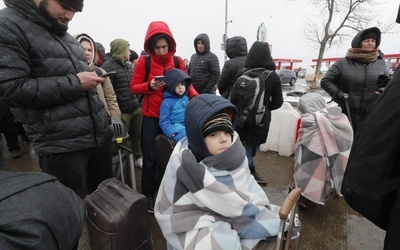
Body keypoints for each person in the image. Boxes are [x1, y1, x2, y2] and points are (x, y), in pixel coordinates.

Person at [0, 0, 114, 199]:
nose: (70, 15)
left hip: (99, 138)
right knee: (70, 215)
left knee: (107, 207)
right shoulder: (8, 25)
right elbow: (10, 89)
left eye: (76, 10)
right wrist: (76, 84)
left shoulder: (65, 32)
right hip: (62, 146)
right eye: (66, 6)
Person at [155, 94, 282, 249]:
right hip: (196, 219)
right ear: (198, 139)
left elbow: (249, 188)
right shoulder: (184, 166)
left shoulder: (237, 156)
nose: (223, 139)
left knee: (271, 222)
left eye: (227, 132)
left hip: (237, 213)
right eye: (213, 134)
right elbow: (173, 211)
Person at [130, 21, 198, 213]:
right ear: (150, 46)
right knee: (150, 158)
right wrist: (148, 87)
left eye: (164, 47)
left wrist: (197, 98)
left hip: (175, 118)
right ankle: (149, 195)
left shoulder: (177, 61)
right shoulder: (145, 61)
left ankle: (168, 193)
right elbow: (133, 86)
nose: (160, 51)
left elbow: (188, 85)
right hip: (152, 117)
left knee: (172, 157)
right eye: (157, 47)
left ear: (170, 45)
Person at [232, 41, 283, 185]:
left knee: (243, 147)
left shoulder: (243, 72)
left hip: (241, 119)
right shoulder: (273, 77)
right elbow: (278, 102)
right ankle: (243, 180)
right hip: (260, 122)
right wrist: (263, 108)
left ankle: (250, 171)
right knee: (250, 151)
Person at [321, 27, 388, 132]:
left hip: (371, 112)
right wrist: (340, 95)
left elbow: (387, 82)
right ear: (358, 43)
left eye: (373, 41)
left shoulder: (381, 63)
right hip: (346, 112)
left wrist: (379, 92)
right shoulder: (342, 63)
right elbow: (326, 81)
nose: (370, 43)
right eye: (366, 40)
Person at [293, 93, 353, 210]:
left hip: (323, 154)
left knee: (318, 171)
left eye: (304, 110)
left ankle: (313, 197)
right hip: (308, 149)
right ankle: (300, 185)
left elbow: (345, 137)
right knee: (302, 163)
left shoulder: (332, 118)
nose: (302, 113)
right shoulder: (309, 122)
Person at [102, 39, 143, 168]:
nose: (130, 53)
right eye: (128, 50)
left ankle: (138, 157)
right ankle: (122, 163)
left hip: (135, 108)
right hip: (122, 112)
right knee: (121, 140)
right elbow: (108, 93)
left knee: (136, 136)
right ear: (121, 50)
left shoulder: (129, 66)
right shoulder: (107, 67)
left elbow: (134, 86)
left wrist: (137, 102)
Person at [75, 33, 121, 119]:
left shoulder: (100, 71)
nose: (87, 53)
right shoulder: (69, 74)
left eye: (90, 50)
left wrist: (115, 119)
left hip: (104, 119)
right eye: (83, 49)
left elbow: (111, 98)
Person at [159, 68, 192, 144]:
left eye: (182, 84)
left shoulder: (186, 98)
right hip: (175, 126)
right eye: (177, 85)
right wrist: (172, 133)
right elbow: (164, 121)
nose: (180, 87)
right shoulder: (166, 103)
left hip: (188, 123)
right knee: (185, 136)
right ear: (171, 86)